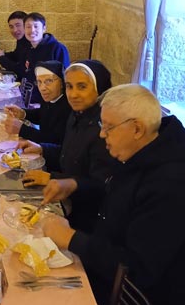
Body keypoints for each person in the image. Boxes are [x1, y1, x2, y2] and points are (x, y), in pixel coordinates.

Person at [41, 84, 185, 305]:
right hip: (115, 277)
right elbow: (115, 195)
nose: (101, 134)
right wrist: (74, 184)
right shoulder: (143, 155)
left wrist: (71, 238)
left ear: (137, 129)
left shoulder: (172, 188)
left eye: (108, 127)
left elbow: (137, 269)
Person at [21, 59, 115, 232]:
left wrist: (52, 177)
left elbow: (101, 186)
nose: (73, 94)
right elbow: (70, 154)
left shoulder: (105, 128)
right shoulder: (77, 114)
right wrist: (43, 149)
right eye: (69, 86)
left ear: (100, 89)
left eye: (82, 87)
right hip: (66, 198)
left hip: (87, 219)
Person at [3, 61, 71, 144]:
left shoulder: (69, 106)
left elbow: (55, 142)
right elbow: (43, 114)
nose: (42, 88)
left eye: (48, 81)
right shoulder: (50, 97)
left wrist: (22, 130)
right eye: (39, 82)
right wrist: (23, 113)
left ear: (62, 83)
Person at [17, 12, 69, 102]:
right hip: (31, 99)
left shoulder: (57, 48)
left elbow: (65, 78)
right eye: (28, 27)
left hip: (51, 101)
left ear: (44, 28)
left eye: (36, 26)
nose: (32, 30)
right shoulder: (28, 49)